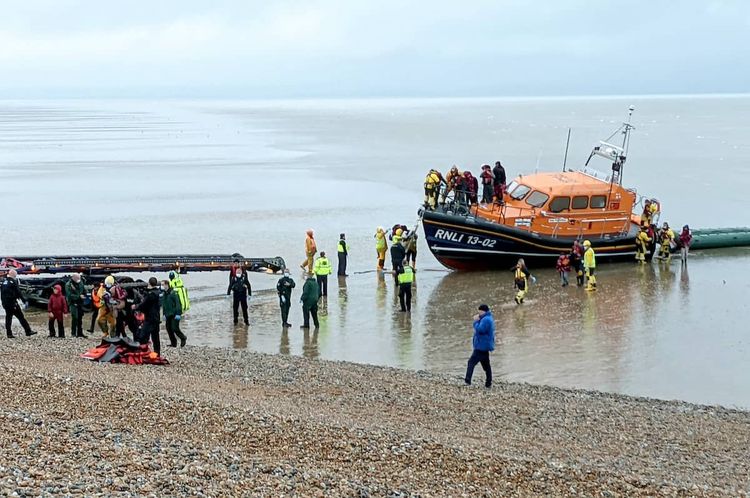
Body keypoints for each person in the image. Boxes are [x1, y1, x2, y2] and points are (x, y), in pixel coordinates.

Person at [464, 304, 495, 388]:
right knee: (486, 366)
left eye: (479, 311)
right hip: (484, 346)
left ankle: (467, 381)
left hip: (481, 346)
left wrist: (475, 321)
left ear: (482, 311)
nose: (478, 313)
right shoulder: (487, 318)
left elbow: (480, 330)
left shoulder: (486, 320)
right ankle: (488, 383)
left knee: (471, 362)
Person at [1, 270, 36, 338]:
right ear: (14, 275)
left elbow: (2, 295)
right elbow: (18, 292)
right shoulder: (13, 282)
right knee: (21, 317)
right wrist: (24, 301)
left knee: (8, 318)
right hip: (13, 304)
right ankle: (28, 331)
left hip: (6, 304)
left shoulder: (4, 282)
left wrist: (3, 304)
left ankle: (9, 333)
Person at [133, 277, 162, 356]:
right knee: (155, 337)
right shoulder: (158, 293)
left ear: (149, 283)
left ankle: (144, 352)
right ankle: (157, 353)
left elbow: (144, 304)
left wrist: (136, 307)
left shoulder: (151, 294)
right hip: (156, 317)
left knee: (143, 336)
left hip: (150, 318)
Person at [161, 280, 186, 347]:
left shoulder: (173, 293)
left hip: (175, 314)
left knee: (175, 328)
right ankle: (173, 343)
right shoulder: (164, 294)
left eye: (163, 285)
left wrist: (178, 313)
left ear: (167, 285)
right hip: (168, 314)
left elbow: (178, 304)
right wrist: (164, 314)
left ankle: (183, 338)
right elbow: (164, 305)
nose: (162, 286)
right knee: (168, 329)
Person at [65, 273, 87, 338]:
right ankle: (73, 333)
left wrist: (84, 294)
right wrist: (79, 296)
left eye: (79, 278)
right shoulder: (68, 285)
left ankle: (80, 333)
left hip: (80, 302)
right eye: (77, 279)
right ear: (73, 278)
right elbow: (69, 295)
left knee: (80, 317)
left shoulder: (80, 282)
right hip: (73, 302)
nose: (78, 280)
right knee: (75, 317)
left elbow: (83, 289)